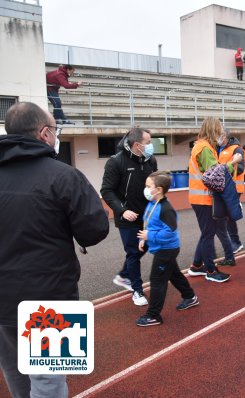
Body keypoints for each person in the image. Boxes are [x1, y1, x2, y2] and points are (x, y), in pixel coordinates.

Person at [0, 102, 109, 397]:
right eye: (55, 129)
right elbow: (95, 229)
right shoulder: (63, 175)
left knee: (15, 371)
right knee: (48, 382)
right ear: (44, 133)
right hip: (49, 297)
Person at [101, 128, 158, 306]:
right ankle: (137, 290)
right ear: (136, 145)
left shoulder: (151, 160)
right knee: (133, 251)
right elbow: (107, 190)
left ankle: (124, 275)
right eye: (148, 142)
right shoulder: (115, 162)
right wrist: (122, 210)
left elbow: (154, 185)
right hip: (127, 216)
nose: (151, 146)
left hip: (147, 214)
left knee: (144, 246)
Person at [136, 172, 199, 326]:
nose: (145, 189)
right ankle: (190, 296)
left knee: (157, 280)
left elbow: (169, 231)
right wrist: (144, 239)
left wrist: (150, 236)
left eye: (148, 186)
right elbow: (150, 223)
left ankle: (153, 315)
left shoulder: (166, 209)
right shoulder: (153, 203)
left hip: (167, 250)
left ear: (158, 189)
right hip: (161, 248)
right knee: (174, 274)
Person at [187, 117, 242, 283]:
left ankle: (197, 266)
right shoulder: (204, 148)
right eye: (219, 129)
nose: (221, 133)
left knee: (206, 233)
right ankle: (210, 270)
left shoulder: (204, 146)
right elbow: (215, 175)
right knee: (208, 235)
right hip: (204, 199)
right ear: (213, 130)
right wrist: (233, 162)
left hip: (201, 198)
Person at [215, 128, 245, 260]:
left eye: (219, 135)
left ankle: (236, 242)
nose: (217, 138)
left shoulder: (236, 149)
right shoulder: (216, 148)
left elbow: (240, 168)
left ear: (225, 136)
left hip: (233, 187)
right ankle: (233, 242)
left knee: (229, 216)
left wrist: (224, 169)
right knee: (224, 216)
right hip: (221, 186)